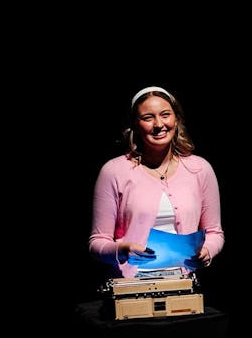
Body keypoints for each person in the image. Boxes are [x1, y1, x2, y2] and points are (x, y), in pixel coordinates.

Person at [88, 86, 224, 279]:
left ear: (176, 119)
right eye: (148, 118)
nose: (159, 124)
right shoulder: (114, 171)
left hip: (182, 282)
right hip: (131, 284)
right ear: (135, 124)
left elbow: (215, 232)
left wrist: (207, 251)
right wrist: (122, 250)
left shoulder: (200, 169)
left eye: (165, 115)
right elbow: (97, 242)